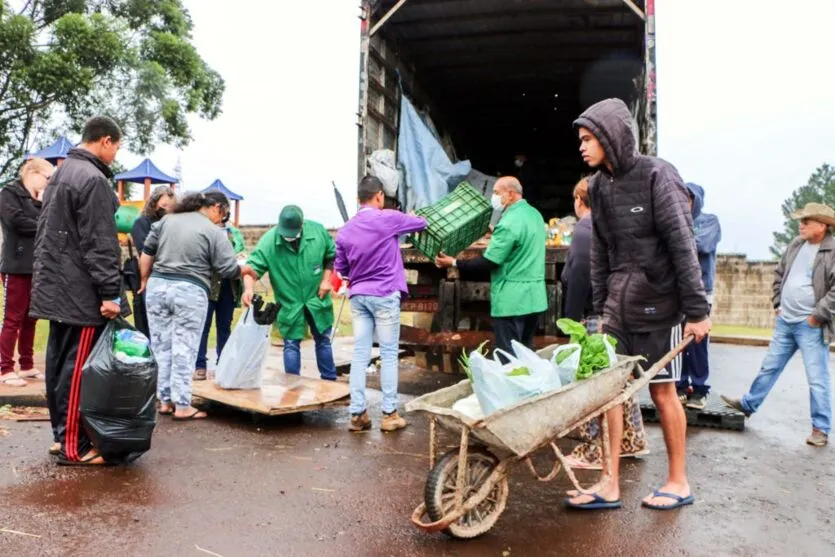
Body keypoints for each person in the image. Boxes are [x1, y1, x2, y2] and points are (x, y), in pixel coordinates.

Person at [565, 98, 711, 511]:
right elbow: (601, 255)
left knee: (664, 393)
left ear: (612, 136)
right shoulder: (598, 187)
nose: (583, 146)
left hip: (660, 308)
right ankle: (610, 483)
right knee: (611, 395)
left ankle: (678, 481)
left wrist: (697, 312)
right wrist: (600, 309)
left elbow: (683, 246)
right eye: (581, 139)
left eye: (589, 138)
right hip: (618, 310)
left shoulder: (656, 175)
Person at [30, 116, 126, 465]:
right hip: (81, 292)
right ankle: (76, 446)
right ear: (104, 141)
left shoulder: (60, 175)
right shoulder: (93, 179)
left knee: (58, 363)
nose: (116, 153)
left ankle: (62, 436)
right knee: (78, 369)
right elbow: (100, 243)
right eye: (117, 146)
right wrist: (109, 293)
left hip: (58, 288)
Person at [722, 202, 834, 447]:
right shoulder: (796, 244)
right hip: (786, 321)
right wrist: (777, 304)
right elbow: (779, 274)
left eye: (807, 221)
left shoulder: (832, 251)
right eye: (801, 220)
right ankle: (748, 405)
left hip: (811, 325)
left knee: (817, 378)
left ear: (823, 226)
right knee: (769, 367)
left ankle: (820, 429)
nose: (801, 224)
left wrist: (817, 316)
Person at [138, 191, 256, 421]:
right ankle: (182, 405)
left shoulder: (166, 221)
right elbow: (227, 269)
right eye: (224, 213)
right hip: (189, 291)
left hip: (158, 287)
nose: (223, 219)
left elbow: (146, 254)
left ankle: (164, 401)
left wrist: (144, 280)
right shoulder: (214, 231)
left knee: (161, 346)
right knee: (185, 347)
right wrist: (246, 270)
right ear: (216, 208)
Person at [560, 177, 649, 470]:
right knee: (618, 380)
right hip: (616, 310)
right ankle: (630, 440)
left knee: (591, 383)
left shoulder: (585, 228)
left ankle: (594, 449)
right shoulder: (611, 224)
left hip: (594, 316)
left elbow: (578, 276)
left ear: (578, 199)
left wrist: (571, 321)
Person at [335, 176, 427, 432]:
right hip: (385, 294)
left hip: (358, 296)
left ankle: (357, 414)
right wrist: (410, 215)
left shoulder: (345, 231)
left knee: (360, 354)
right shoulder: (388, 218)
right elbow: (422, 223)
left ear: (358, 200)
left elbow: (341, 268)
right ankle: (389, 414)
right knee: (387, 354)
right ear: (379, 197)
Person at [435, 176, 547, 357]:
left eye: (496, 193)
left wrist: (454, 262)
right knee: (527, 354)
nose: (493, 197)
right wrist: (495, 231)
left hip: (512, 301)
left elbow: (490, 262)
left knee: (508, 357)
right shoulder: (534, 214)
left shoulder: (509, 222)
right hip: (534, 298)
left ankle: (511, 385)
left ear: (510, 194)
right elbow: (521, 240)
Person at [242, 205, 338, 381]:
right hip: (290, 302)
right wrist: (248, 289)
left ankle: (330, 381)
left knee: (323, 339)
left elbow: (330, 256)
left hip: (316, 297)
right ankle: (292, 387)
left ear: (302, 225)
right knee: (291, 344)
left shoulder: (317, 232)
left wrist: (326, 280)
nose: (288, 238)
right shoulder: (269, 241)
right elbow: (251, 270)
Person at [0, 157, 52, 387]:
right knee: (13, 318)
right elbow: (17, 222)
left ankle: (28, 364)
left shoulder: (41, 199)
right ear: (33, 173)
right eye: (47, 177)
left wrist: (40, 207)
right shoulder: (8, 194)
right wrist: (41, 217)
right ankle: (5, 368)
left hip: (37, 265)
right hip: (16, 264)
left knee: (32, 318)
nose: (49, 183)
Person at [677, 183, 722, 410]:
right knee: (677, 341)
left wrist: (675, 239)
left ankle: (700, 389)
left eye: (688, 198)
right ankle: (681, 385)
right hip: (676, 292)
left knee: (698, 342)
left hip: (701, 292)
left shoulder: (709, 221)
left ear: (696, 201)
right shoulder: (672, 221)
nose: (683, 202)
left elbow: (702, 245)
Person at [194, 222, 246, 381]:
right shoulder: (202, 230)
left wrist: (241, 258)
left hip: (227, 286)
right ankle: (200, 366)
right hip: (208, 285)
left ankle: (223, 364)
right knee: (203, 327)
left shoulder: (234, 233)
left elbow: (241, 251)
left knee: (224, 327)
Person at [130, 186, 176, 337]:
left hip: (171, 281)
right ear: (155, 204)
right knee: (147, 328)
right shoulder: (142, 223)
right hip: (149, 279)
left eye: (171, 206)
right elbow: (145, 251)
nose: (167, 210)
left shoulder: (174, 225)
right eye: (164, 206)